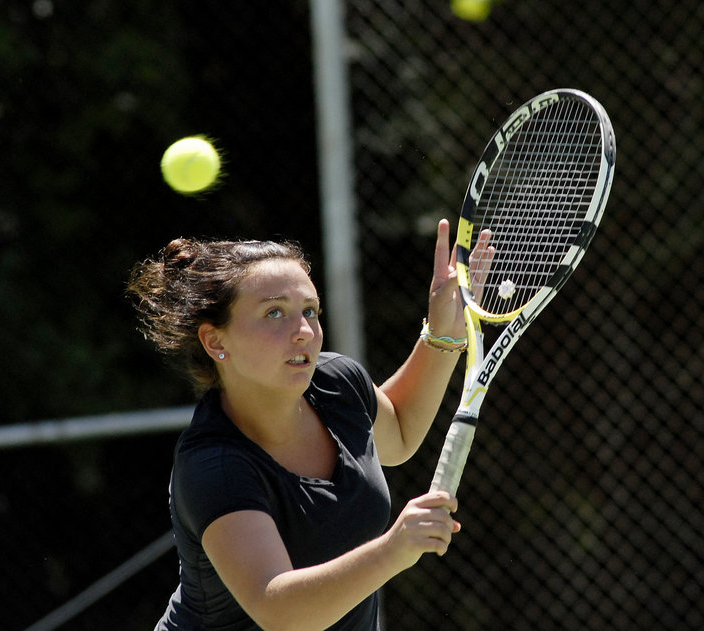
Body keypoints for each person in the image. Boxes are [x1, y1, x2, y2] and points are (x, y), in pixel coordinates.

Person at [127, 219, 486, 631]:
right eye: (274, 312)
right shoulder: (215, 466)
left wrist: (442, 331)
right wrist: (393, 549)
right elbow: (279, 611)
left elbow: (400, 433)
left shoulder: (338, 383)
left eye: (310, 311)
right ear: (216, 342)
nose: (303, 332)